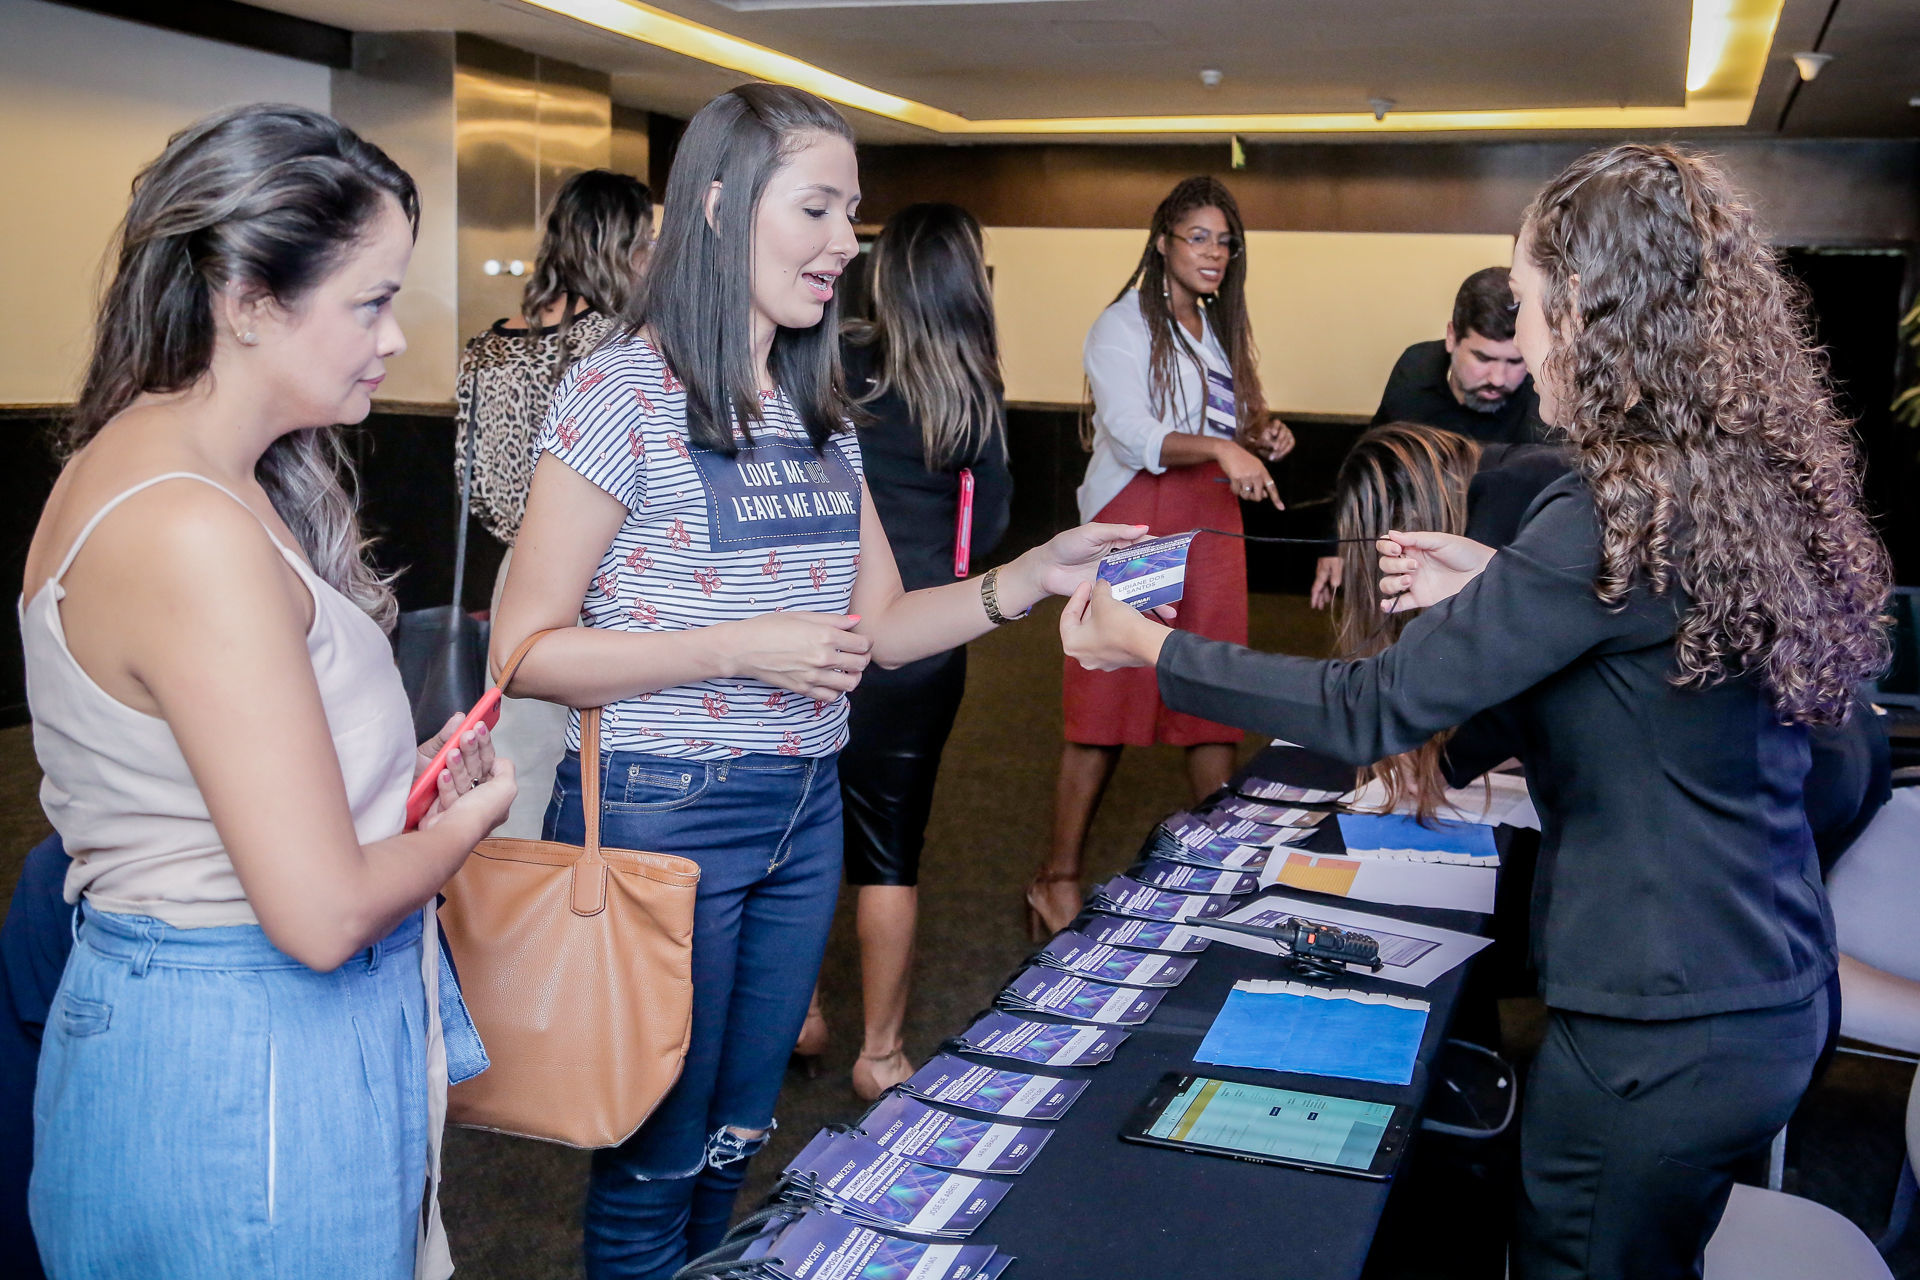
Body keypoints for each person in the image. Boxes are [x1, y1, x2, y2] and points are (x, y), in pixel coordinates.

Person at [1061, 143, 1891, 1280]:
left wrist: (1143, 644)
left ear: (1593, 312)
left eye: (1533, 304)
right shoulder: (1720, 471)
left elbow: (1371, 706)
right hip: (1763, 979)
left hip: (1664, 1016)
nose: (1527, 336)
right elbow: (1648, 655)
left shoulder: (1610, 508)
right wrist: (1501, 581)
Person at [489, 83, 1150, 1280]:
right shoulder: (622, 395)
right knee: (651, 1159)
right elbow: (523, 650)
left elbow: (887, 627)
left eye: (853, 212)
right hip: (661, 812)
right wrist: (735, 646)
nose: (848, 241)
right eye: (818, 208)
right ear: (719, 207)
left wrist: (1029, 575)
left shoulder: (818, 409)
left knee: (734, 1142)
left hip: (800, 808)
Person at [19, 104, 515, 1277]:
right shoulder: (188, 524)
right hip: (242, 1060)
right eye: (370, 302)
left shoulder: (192, 472)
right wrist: (472, 821)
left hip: (232, 1040)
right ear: (246, 302)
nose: (394, 336)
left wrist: (400, 784)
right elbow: (322, 913)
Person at [1029, 176, 1294, 939]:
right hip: (1140, 519)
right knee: (1105, 702)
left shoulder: (1212, 326)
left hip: (1210, 519)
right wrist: (1221, 448)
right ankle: (1056, 878)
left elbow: (1218, 419)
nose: (1214, 253)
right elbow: (1131, 432)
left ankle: (1221, 874)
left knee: (1213, 695)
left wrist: (1258, 432)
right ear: (1162, 242)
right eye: (1198, 237)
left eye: (1225, 241)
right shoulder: (1122, 324)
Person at [796, 202, 1013, 1100]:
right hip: (920, 643)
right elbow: (988, 532)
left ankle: (802, 1014)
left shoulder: (826, 365)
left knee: (804, 825)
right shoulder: (968, 389)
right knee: (890, 845)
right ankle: (879, 1054)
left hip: (817, 631)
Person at [455, 168, 653, 839]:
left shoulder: (487, 350)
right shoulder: (621, 347)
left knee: (519, 751)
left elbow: (473, 481)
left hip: (518, 569)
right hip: (608, 573)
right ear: (625, 244)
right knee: (597, 757)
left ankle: (514, 889)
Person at [1311, 266, 1545, 609]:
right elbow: (1374, 464)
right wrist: (1335, 544)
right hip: (1413, 558)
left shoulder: (1543, 394)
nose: (1498, 378)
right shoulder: (1415, 372)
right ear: (1451, 337)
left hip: (1504, 563)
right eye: (1482, 358)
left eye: (1514, 361)